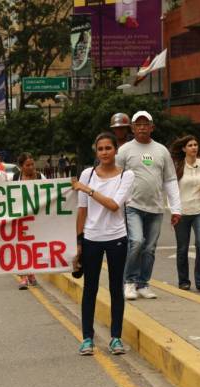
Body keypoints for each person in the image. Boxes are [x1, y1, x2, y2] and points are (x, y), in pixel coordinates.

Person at [73, 133, 134, 356]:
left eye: (109, 148)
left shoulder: (126, 176)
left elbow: (114, 205)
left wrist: (88, 189)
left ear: (116, 150)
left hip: (117, 238)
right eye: (101, 149)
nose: (105, 152)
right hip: (91, 238)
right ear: (96, 152)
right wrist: (78, 242)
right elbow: (82, 210)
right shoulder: (87, 174)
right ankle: (87, 338)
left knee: (116, 289)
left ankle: (116, 338)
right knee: (90, 289)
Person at [117, 111, 182, 300]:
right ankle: (129, 282)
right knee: (136, 242)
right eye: (138, 124)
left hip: (155, 208)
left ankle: (143, 284)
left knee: (150, 248)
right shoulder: (125, 151)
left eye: (146, 124)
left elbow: (170, 180)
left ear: (152, 127)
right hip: (133, 206)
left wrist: (176, 209)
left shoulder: (161, 150)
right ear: (133, 128)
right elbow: (114, 175)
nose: (142, 127)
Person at [170, 136, 200, 293]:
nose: (194, 147)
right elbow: (171, 190)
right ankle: (183, 281)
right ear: (184, 148)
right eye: (190, 145)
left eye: (196, 144)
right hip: (181, 212)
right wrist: (174, 210)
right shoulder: (177, 166)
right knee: (182, 248)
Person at [12, 153, 42, 289]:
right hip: (21, 219)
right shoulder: (15, 178)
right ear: (21, 167)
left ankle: (31, 273)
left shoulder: (41, 177)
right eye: (27, 165)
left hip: (36, 218)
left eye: (32, 164)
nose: (31, 167)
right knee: (21, 248)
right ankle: (23, 277)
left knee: (33, 247)